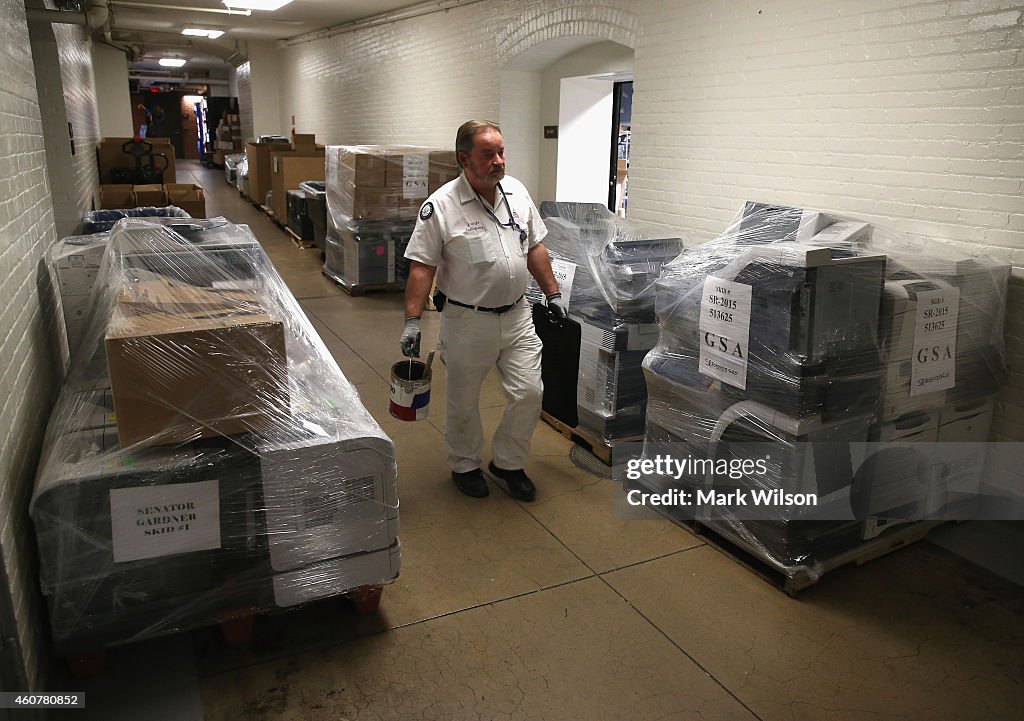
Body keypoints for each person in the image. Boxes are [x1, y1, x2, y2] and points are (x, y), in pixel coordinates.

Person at [400, 120, 565, 501]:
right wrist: (412, 321)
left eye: (501, 152)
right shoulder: (441, 206)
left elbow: (535, 246)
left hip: (518, 315)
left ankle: (507, 462)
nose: (498, 161)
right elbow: (422, 266)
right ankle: (465, 464)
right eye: (488, 154)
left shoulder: (516, 192)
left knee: (529, 392)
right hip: (467, 319)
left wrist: (552, 294)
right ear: (464, 159)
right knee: (463, 399)